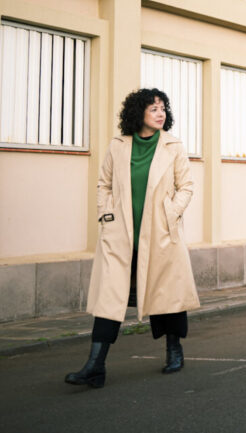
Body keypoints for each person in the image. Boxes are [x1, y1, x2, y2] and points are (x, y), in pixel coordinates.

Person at [66, 89, 200, 388]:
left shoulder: (173, 146)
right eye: (154, 109)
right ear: (138, 113)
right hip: (121, 235)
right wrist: (106, 215)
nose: (160, 113)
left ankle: (174, 350)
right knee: (109, 298)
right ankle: (95, 366)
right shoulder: (118, 146)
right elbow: (104, 184)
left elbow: (187, 186)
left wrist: (171, 212)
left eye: (163, 108)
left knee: (167, 294)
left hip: (161, 233)